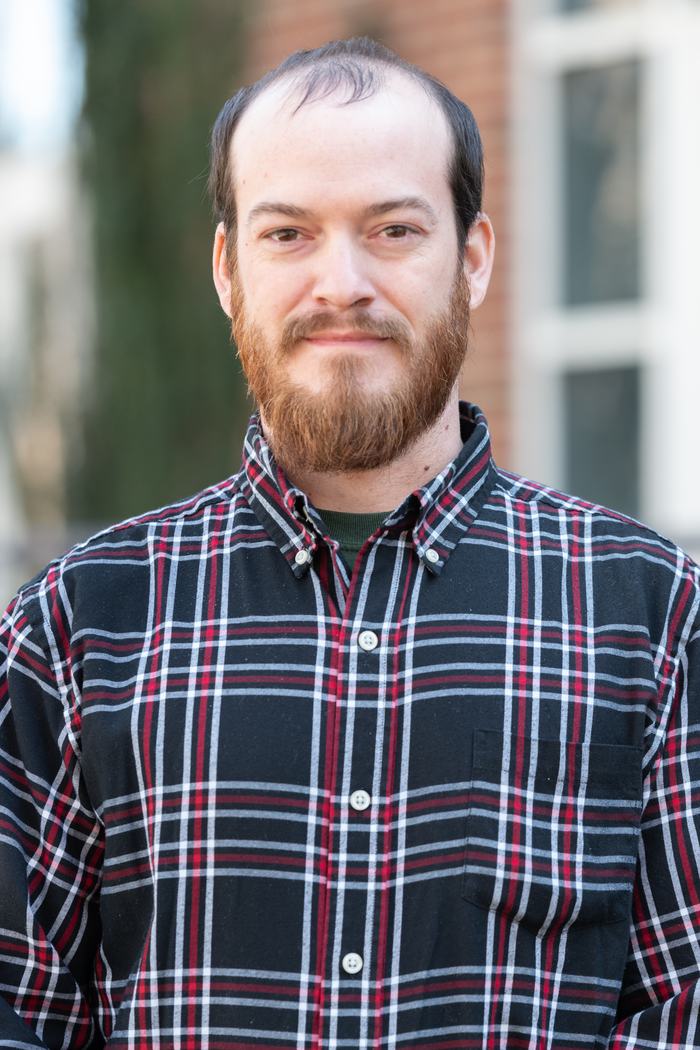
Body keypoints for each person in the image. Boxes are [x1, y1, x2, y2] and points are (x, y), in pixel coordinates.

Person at [1, 36, 698, 1050]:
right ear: (227, 269)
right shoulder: (74, 627)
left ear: (472, 257)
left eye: (392, 229)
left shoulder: (651, 615)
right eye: (287, 234)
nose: (342, 283)